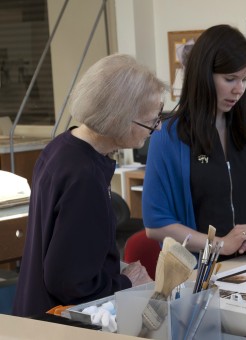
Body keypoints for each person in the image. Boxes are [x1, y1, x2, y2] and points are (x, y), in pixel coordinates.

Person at [13, 54, 166, 317]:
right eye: (152, 121)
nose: (158, 128)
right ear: (121, 118)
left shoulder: (62, 147)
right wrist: (128, 282)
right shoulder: (84, 176)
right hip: (56, 324)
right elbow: (70, 283)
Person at [142, 25, 246, 260]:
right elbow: (156, 225)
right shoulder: (167, 135)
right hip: (197, 275)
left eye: (245, 79)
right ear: (203, 75)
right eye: (230, 79)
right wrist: (220, 244)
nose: (239, 89)